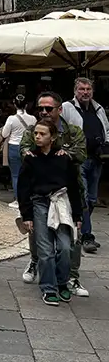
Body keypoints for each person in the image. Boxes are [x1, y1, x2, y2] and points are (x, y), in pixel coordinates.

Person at [19, 91, 88, 296]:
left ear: (59, 109)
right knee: (40, 238)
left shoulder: (72, 131)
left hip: (66, 192)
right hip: (39, 194)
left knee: (71, 239)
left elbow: (82, 154)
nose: (44, 112)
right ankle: (38, 265)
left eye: (48, 108)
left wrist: (66, 153)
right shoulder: (32, 130)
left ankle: (70, 277)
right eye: (40, 108)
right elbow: (26, 152)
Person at [61, 77, 109, 254]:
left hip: (96, 159)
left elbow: (107, 129)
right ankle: (87, 236)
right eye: (82, 89)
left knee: (91, 198)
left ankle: (80, 227)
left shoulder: (98, 108)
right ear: (75, 91)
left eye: (88, 89)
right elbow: (61, 128)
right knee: (84, 196)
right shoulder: (67, 107)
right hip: (78, 159)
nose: (85, 92)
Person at [1, 94, 36, 209]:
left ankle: (17, 200)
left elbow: (4, 134)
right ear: (26, 105)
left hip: (14, 147)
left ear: (14, 104)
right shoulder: (33, 119)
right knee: (29, 174)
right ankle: (29, 197)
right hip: (29, 148)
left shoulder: (11, 119)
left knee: (16, 175)